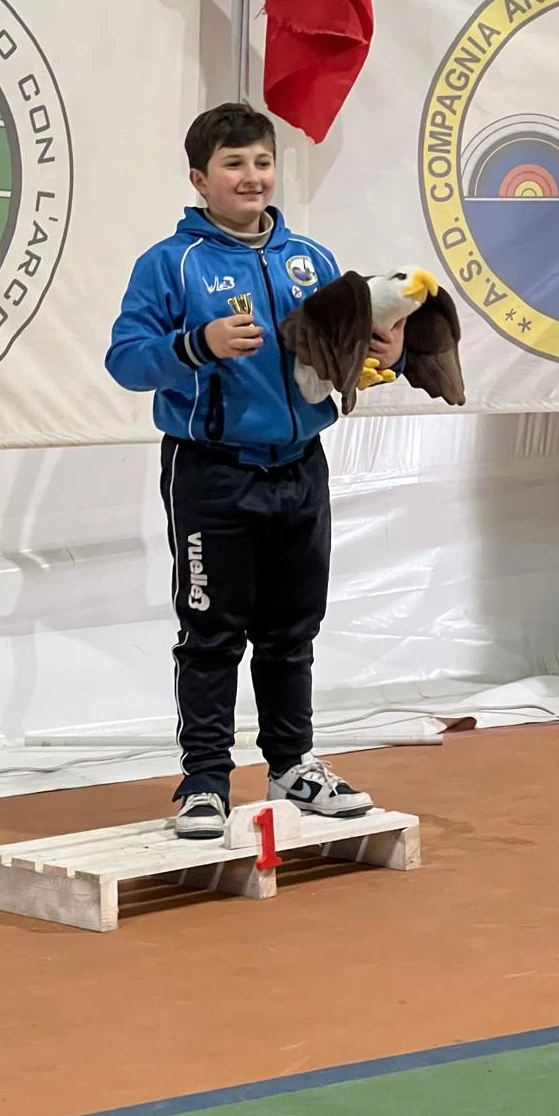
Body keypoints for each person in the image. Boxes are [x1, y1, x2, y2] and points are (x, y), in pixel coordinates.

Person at [105, 103, 404, 838]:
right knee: (211, 632)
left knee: (292, 630)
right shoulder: (171, 264)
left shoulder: (314, 260)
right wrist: (197, 344)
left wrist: (385, 357)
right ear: (198, 179)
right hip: (212, 475)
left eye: (262, 162)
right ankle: (206, 781)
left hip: (301, 469)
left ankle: (292, 765)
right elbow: (125, 361)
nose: (252, 177)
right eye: (233, 164)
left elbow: (341, 354)